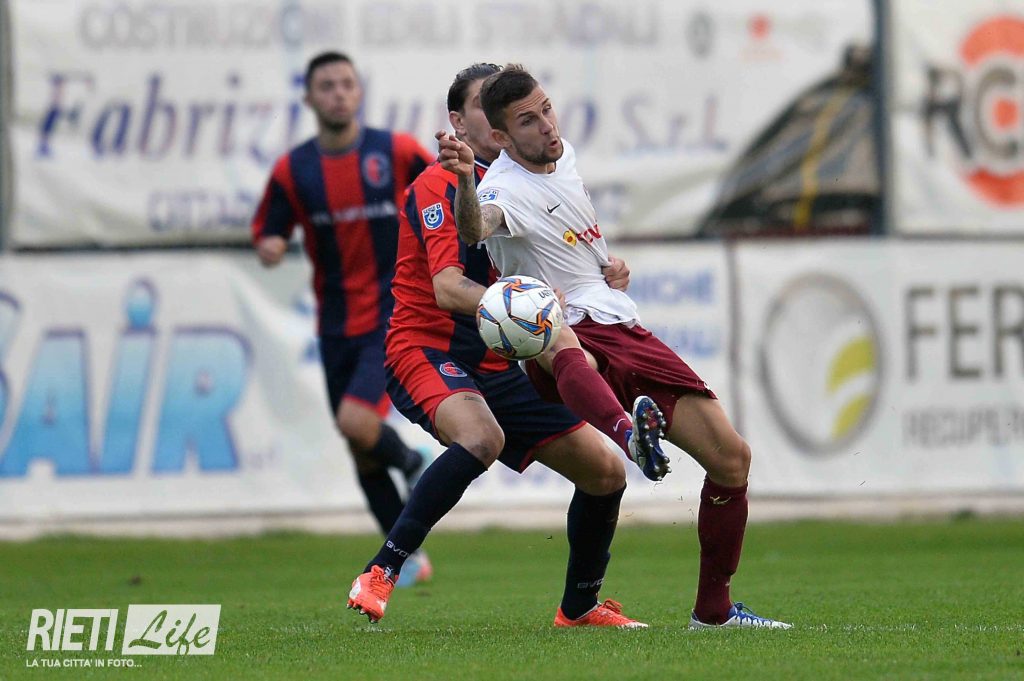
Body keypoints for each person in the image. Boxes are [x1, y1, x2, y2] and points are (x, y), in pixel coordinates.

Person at [449, 64, 792, 629]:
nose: (546, 126)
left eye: (546, 109)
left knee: (732, 459)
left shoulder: (565, 157)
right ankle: (629, 434)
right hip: (562, 329)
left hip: (620, 323)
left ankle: (713, 612)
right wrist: (465, 179)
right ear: (502, 137)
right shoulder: (499, 189)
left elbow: (571, 239)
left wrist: (606, 266)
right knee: (559, 340)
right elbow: (474, 228)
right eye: (528, 121)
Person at [346, 63, 653, 628]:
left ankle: (579, 607)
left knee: (606, 474)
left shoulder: (527, 181)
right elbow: (446, 288)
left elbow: (560, 261)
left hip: (502, 357)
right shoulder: (441, 184)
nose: (497, 119)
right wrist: (528, 303)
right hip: (428, 348)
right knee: (482, 437)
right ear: (460, 123)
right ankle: (383, 569)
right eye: (483, 108)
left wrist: (605, 273)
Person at [251, 51, 434, 586]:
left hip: (394, 314)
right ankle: (405, 560)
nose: (337, 93)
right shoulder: (294, 170)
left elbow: (447, 192)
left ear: (359, 91)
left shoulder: (396, 151)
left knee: (356, 424)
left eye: (346, 83)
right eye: (326, 85)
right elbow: (269, 230)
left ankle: (412, 462)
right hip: (334, 325)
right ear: (308, 98)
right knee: (360, 449)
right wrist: (269, 244)